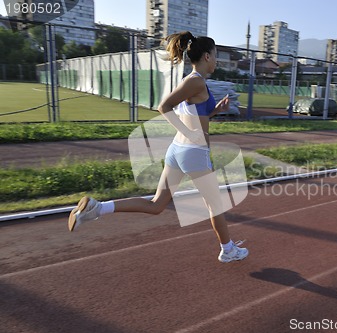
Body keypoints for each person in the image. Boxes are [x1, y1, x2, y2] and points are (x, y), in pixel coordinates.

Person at [68, 31, 248, 263]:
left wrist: (215, 111)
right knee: (215, 205)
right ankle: (229, 250)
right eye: (215, 56)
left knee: (156, 205)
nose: (216, 60)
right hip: (194, 152)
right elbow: (164, 107)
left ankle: (96, 208)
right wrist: (189, 133)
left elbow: (194, 114)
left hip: (179, 151)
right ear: (206, 56)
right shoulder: (194, 81)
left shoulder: (193, 82)